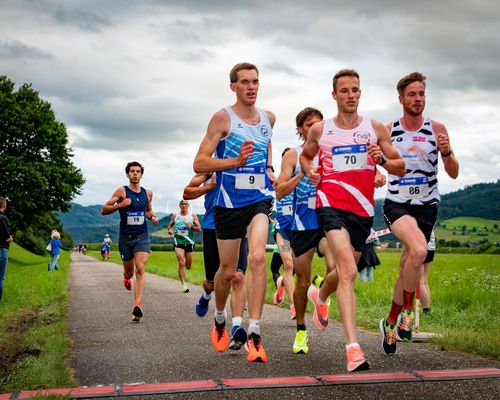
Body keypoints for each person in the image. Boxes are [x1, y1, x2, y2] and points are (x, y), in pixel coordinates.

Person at [300, 69, 405, 372]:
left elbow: (399, 166)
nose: (350, 95)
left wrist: (381, 160)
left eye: (355, 90)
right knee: (347, 271)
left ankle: (319, 295)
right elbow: (307, 157)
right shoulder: (321, 130)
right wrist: (310, 171)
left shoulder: (375, 129)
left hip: (361, 211)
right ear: (334, 95)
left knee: (347, 270)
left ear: (360, 93)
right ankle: (353, 348)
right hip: (330, 205)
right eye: (344, 90)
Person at [193, 62, 276, 363]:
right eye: (244, 82)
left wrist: (269, 170)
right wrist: (233, 163)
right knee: (226, 273)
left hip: (258, 200)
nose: (251, 87)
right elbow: (200, 163)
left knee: (255, 258)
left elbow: (266, 146)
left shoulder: (269, 118)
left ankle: (254, 332)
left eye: (255, 81)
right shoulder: (222, 118)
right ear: (233, 87)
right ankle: (219, 317)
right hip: (228, 205)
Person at [380, 72, 459, 355]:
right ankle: (408, 312)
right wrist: (377, 173)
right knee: (418, 250)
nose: (417, 99)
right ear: (401, 99)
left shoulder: (436, 128)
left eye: (421, 94)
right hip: (397, 204)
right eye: (412, 95)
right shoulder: (389, 130)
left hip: (427, 206)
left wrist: (448, 153)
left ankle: (390, 321)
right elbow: (378, 164)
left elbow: (453, 172)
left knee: (408, 265)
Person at [275, 107, 338, 356]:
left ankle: (321, 297)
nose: (315, 128)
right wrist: (302, 172)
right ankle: (301, 330)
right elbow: (279, 191)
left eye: (319, 123)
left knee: (337, 268)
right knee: (302, 281)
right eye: (309, 125)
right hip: (302, 225)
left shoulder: (333, 151)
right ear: (301, 130)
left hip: (327, 219)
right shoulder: (292, 155)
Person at [183, 172, 248, 350]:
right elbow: (187, 192)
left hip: (239, 226)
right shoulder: (209, 169)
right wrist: (208, 187)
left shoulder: (245, 166)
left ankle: (235, 327)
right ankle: (208, 298)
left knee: (238, 276)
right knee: (211, 283)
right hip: (213, 227)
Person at [101, 161, 159, 322]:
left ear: (141, 174)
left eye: (138, 171)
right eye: (132, 171)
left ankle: (137, 305)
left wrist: (152, 217)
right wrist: (120, 204)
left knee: (140, 267)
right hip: (125, 238)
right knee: (129, 272)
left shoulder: (148, 193)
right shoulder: (122, 191)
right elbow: (104, 210)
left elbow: (147, 211)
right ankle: (126, 278)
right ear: (127, 174)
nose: (135, 173)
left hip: (142, 235)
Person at [271, 148, 296, 320]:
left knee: (298, 269)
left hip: (300, 230)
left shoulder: (302, 179)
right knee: (287, 265)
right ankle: (294, 306)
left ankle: (281, 284)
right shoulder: (276, 181)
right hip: (282, 230)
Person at [167, 200, 201, 293]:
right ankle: (184, 285)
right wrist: (170, 230)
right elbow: (170, 226)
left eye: (185, 204)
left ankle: (186, 268)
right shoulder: (175, 215)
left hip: (189, 242)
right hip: (178, 241)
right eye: (182, 204)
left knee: (188, 265)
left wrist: (191, 227)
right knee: (181, 262)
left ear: (188, 206)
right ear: (179, 205)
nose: (183, 205)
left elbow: (199, 228)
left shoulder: (193, 216)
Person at [420, 230, 436, 315]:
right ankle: (427, 310)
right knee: (424, 281)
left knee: (420, 282)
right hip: (431, 246)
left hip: (420, 246)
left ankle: (426, 311)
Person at [0, 197, 13, 302]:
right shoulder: (3, 218)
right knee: (0, 278)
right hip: (2, 249)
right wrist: (10, 238)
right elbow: (7, 238)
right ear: (4, 205)